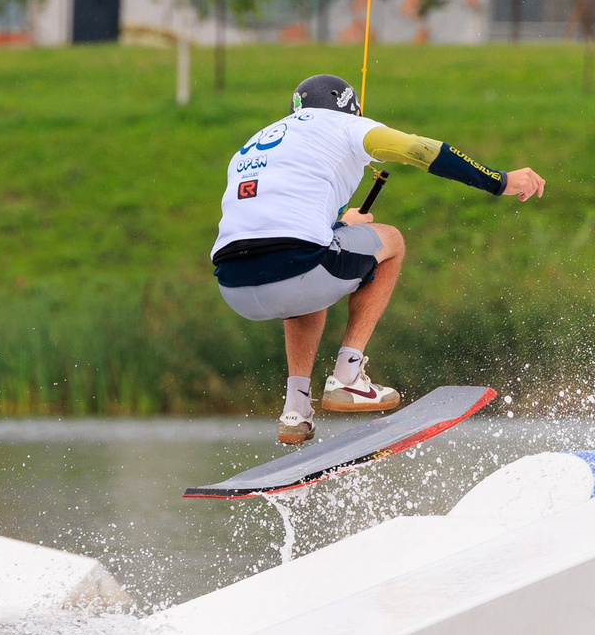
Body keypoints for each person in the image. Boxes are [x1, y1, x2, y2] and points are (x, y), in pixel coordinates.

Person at [213, 73, 547, 445]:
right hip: (299, 266)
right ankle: (347, 375)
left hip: (233, 284)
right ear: (351, 108)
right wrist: (499, 180)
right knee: (391, 242)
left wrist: (340, 225)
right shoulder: (347, 125)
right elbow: (421, 149)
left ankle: (296, 410)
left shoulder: (256, 143)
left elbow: (276, 221)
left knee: (311, 266)